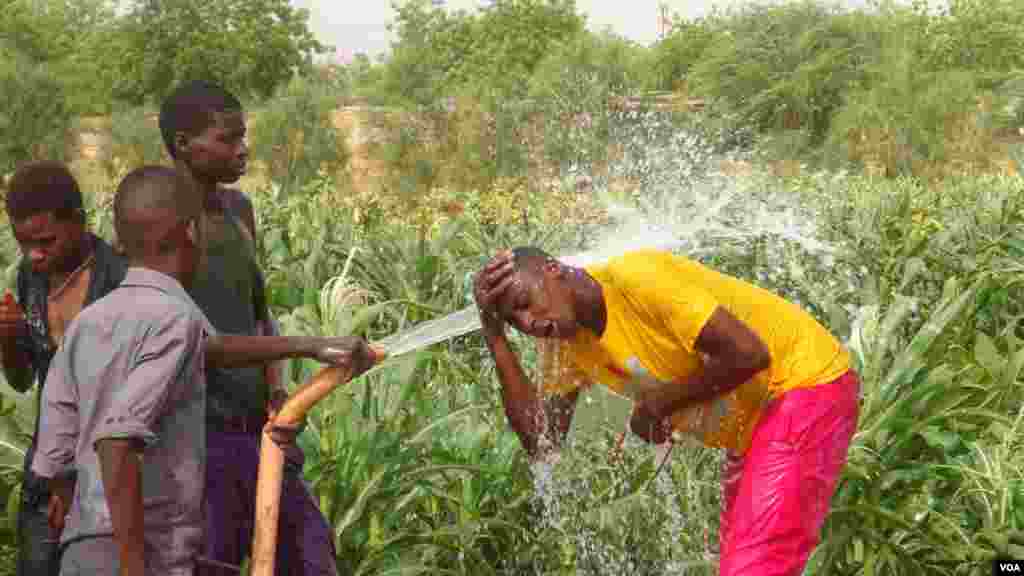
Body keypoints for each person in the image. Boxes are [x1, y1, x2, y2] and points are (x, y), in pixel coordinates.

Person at [30, 166, 379, 576]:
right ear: (191, 233)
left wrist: (313, 346)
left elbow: (54, 455)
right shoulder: (175, 320)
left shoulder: (87, 324)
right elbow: (116, 439)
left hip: (81, 552)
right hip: (145, 551)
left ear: (121, 242)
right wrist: (132, 566)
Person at [472, 246, 861, 576]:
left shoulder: (636, 278)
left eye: (524, 303)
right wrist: (493, 333)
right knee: (741, 564)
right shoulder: (564, 342)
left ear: (552, 269)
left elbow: (749, 353)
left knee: (753, 567)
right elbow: (541, 440)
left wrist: (658, 405)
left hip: (802, 386)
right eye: (514, 322)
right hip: (759, 426)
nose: (529, 322)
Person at [159, 80, 338, 575]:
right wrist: (311, 346)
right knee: (212, 561)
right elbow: (190, 345)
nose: (243, 149)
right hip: (196, 440)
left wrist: (277, 392)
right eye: (228, 138)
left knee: (310, 556)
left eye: (243, 136)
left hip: (257, 430)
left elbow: (259, 313)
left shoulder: (239, 211)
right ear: (183, 145)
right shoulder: (159, 224)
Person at [0, 161, 128, 576]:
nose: (33, 255)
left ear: (78, 219)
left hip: (107, 470)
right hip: (47, 463)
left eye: (45, 242)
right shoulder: (30, 277)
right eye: (23, 244)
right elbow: (23, 380)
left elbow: (123, 397)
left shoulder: (118, 280)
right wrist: (10, 338)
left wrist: (73, 480)